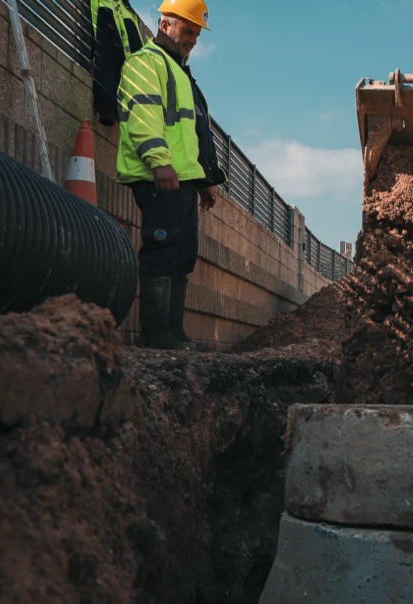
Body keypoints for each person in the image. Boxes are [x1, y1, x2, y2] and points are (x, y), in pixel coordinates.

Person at [116, 0, 226, 350]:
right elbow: (143, 115)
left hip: (181, 178)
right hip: (158, 176)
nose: (193, 39)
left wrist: (206, 180)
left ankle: (173, 333)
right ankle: (155, 334)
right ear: (165, 25)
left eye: (196, 33)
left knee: (183, 254)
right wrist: (158, 161)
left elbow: (195, 135)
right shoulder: (146, 63)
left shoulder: (181, 73)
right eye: (187, 30)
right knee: (162, 250)